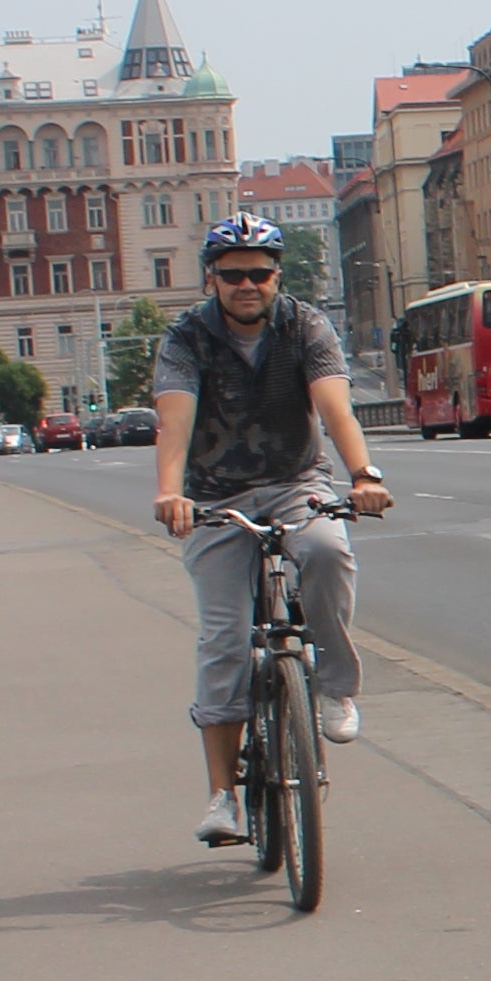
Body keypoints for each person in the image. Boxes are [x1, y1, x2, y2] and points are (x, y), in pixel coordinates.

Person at [151, 217, 392, 848]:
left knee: (326, 550)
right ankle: (221, 799)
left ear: (277, 275)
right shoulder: (186, 336)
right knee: (225, 640)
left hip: (293, 480)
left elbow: (334, 404)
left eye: (259, 272)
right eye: (232, 275)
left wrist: (363, 474)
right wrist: (170, 492)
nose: (247, 285)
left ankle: (335, 688)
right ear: (213, 279)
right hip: (213, 495)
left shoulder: (304, 325)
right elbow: (173, 421)